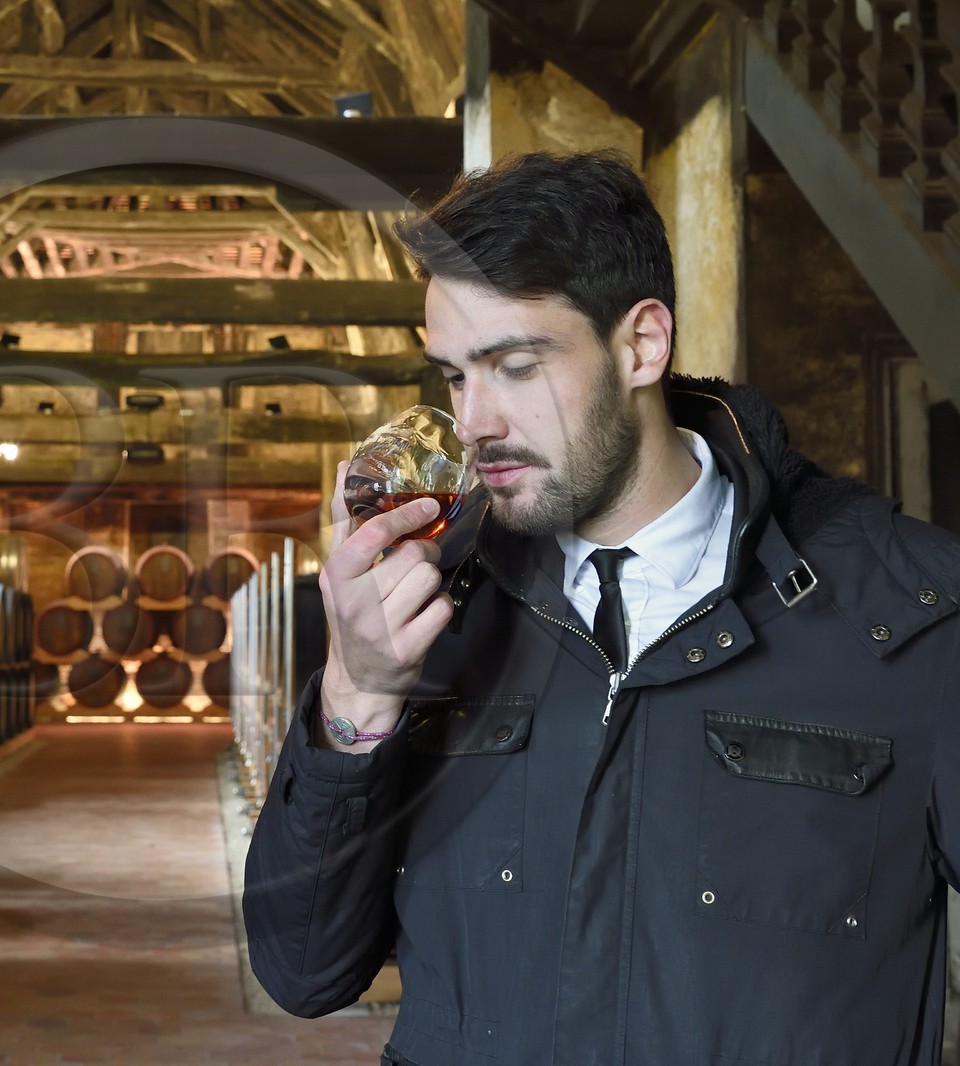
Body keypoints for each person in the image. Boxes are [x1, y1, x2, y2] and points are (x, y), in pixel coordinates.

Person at [242, 150, 960, 1066]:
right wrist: (357, 697)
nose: (474, 423)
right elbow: (303, 972)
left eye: (514, 365)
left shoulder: (910, 614)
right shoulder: (434, 608)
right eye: (456, 376)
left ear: (641, 346)